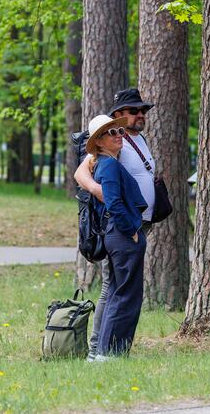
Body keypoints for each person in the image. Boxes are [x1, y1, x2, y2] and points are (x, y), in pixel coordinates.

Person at [75, 88, 157, 361]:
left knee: (120, 288)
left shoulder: (137, 140)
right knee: (115, 289)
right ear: (119, 115)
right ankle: (99, 348)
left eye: (143, 110)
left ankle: (105, 349)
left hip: (137, 223)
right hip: (123, 226)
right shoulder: (109, 148)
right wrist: (105, 196)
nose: (140, 115)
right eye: (134, 111)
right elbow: (82, 172)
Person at [84, 114, 148, 359]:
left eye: (120, 131)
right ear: (99, 141)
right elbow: (112, 201)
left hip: (119, 235)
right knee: (126, 295)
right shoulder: (108, 164)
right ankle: (110, 352)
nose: (119, 135)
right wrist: (131, 230)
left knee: (118, 293)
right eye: (112, 133)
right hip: (123, 235)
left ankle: (104, 351)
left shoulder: (107, 162)